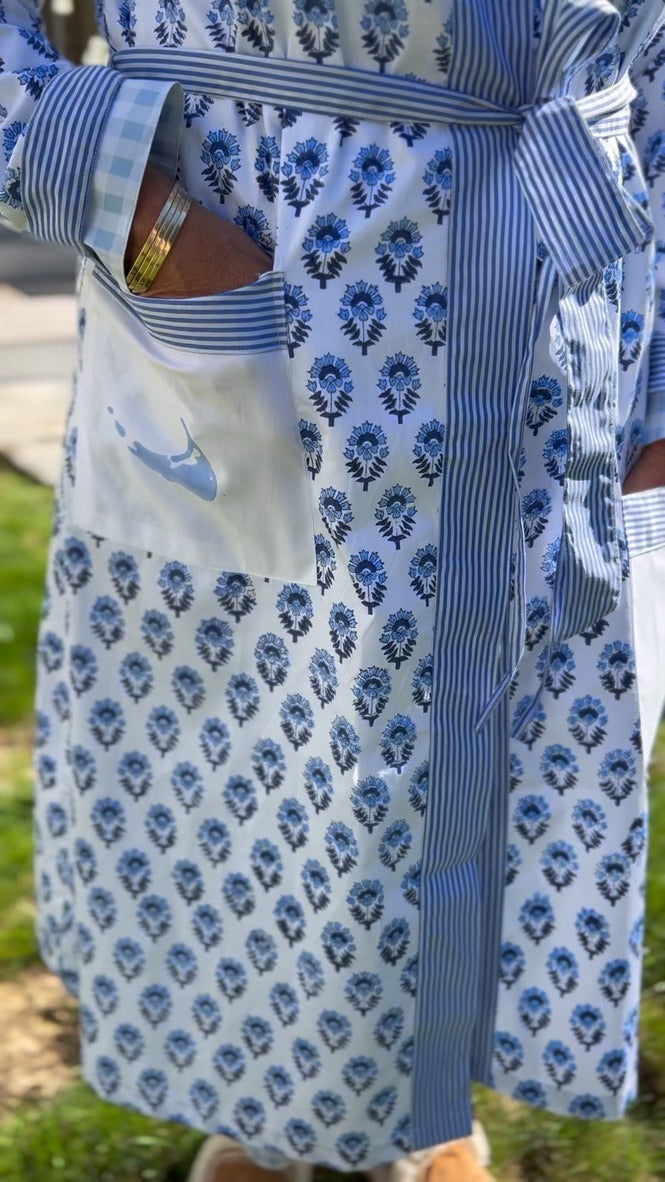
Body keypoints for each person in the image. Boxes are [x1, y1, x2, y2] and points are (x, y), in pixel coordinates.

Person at [1, 2, 664, 1180]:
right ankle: (270, 1117)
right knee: (252, 761)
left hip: (581, 315)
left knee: (505, 774)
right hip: (269, 301)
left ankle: (421, 1117)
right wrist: (150, 225)